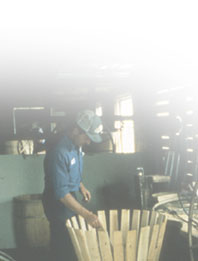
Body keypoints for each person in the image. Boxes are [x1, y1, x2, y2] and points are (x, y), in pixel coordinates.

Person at [42, 109, 103, 261]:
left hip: (70, 196)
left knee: (73, 243)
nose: (89, 142)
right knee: (64, 245)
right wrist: (87, 215)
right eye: (87, 137)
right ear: (76, 130)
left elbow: (70, 173)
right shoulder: (59, 153)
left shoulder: (76, 145)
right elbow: (61, 193)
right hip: (58, 203)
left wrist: (80, 186)